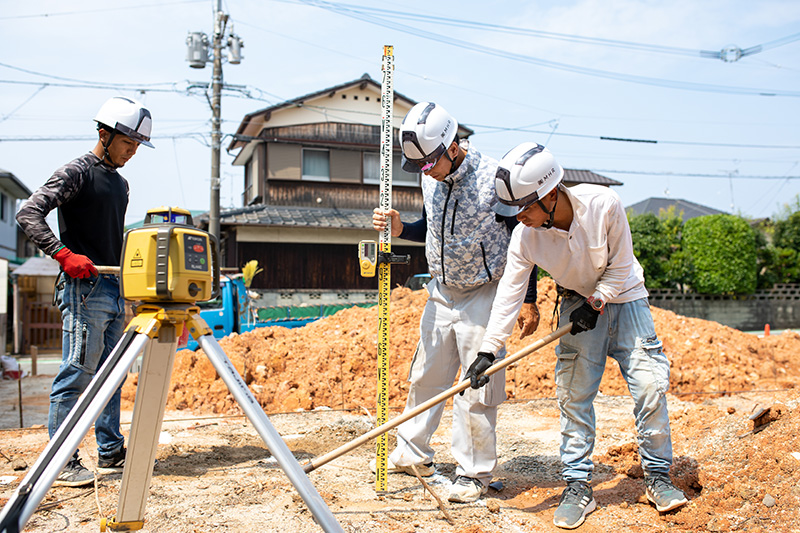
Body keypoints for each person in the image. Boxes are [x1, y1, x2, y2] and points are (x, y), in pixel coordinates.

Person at [466, 142, 688, 528]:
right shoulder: (526, 237)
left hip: (627, 298)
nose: (520, 217)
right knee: (574, 396)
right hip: (574, 302)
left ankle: (657, 477)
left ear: (551, 194)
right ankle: (577, 485)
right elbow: (509, 294)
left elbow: (621, 265)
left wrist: (598, 301)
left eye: (526, 207)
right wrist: (489, 350)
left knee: (650, 386)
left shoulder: (604, 204)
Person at [371, 102, 537, 503]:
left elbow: (527, 238)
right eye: (420, 167)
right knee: (426, 373)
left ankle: (474, 472)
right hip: (442, 289)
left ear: (452, 147)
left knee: (477, 386)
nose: (426, 172)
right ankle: (412, 453)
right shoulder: (430, 176)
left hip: (486, 291)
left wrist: (528, 298)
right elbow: (430, 226)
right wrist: (401, 228)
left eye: (430, 164)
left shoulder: (495, 179)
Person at [16, 96, 154, 487]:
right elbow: (28, 213)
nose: (132, 152)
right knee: (78, 372)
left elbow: (112, 238)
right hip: (84, 289)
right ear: (103, 133)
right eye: (127, 143)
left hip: (112, 287)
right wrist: (62, 253)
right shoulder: (77, 171)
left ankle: (110, 450)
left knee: (111, 375)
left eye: (137, 146)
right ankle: (61, 461)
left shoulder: (121, 183)